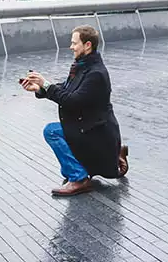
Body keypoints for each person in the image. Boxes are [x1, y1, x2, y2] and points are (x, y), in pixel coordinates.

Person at [22, 25, 129, 196]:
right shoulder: (83, 66)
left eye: (74, 43)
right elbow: (65, 90)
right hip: (87, 128)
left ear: (87, 45)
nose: (71, 47)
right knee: (56, 130)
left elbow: (72, 101)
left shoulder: (96, 74)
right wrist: (39, 89)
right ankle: (114, 156)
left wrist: (46, 84)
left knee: (52, 131)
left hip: (96, 133)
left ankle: (79, 178)